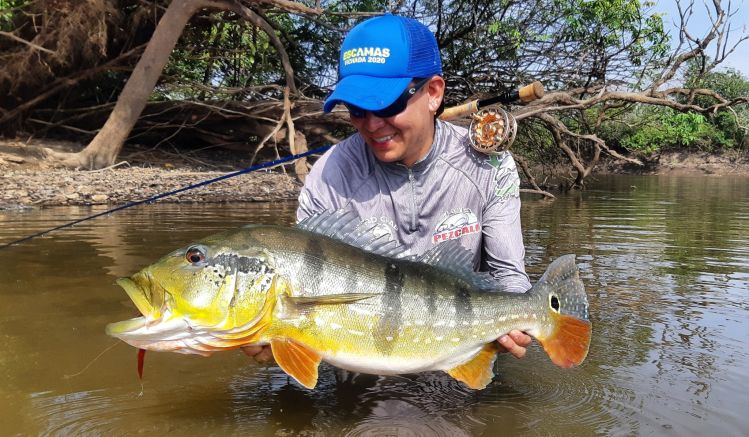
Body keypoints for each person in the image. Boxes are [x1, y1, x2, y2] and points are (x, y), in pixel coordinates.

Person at [244, 13, 531, 364]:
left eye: (388, 104)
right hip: (360, 367)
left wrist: (518, 321)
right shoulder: (328, 178)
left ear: (433, 93)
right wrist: (277, 340)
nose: (372, 124)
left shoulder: (489, 167)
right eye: (357, 109)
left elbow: (508, 277)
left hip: (460, 350)